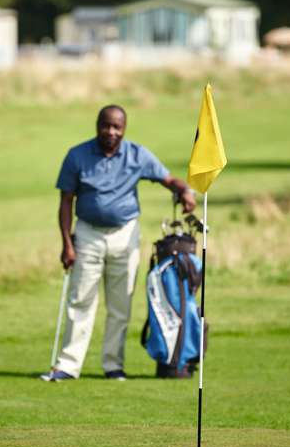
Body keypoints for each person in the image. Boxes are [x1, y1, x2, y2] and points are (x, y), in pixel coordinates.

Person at [43, 105, 195, 382]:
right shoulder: (77, 155)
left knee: (120, 304)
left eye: (116, 127)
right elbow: (66, 201)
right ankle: (68, 365)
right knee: (80, 300)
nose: (111, 132)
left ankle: (113, 366)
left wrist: (185, 190)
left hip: (125, 234)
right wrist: (67, 242)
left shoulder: (137, 155)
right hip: (87, 233)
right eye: (106, 125)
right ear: (97, 125)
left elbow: (168, 179)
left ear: (124, 129)